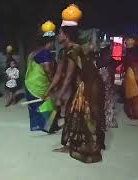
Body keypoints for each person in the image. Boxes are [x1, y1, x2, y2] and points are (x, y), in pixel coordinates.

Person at [51, 4, 105, 163]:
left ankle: (91, 146)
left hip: (89, 85)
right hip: (84, 85)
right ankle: (72, 144)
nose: (57, 36)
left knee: (85, 115)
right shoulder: (69, 49)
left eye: (59, 33)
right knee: (74, 114)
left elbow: (67, 78)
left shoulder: (73, 49)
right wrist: (50, 91)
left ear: (66, 35)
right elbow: (61, 74)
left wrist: (59, 96)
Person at [24, 20, 57, 133]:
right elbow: (49, 72)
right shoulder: (45, 55)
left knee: (35, 107)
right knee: (47, 105)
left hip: (29, 84)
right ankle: (48, 127)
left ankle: (37, 126)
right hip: (39, 86)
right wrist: (53, 87)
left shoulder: (34, 51)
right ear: (51, 42)